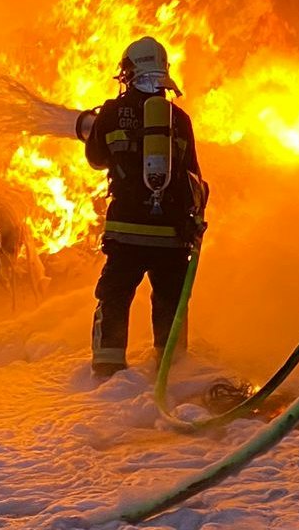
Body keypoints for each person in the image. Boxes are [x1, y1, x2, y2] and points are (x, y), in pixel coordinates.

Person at [78, 36, 208, 380]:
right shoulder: (179, 119)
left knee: (115, 296)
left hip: (127, 233)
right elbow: (194, 176)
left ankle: (108, 370)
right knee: (170, 301)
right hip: (171, 235)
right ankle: (171, 370)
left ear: (129, 71)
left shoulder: (111, 112)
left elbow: (95, 159)